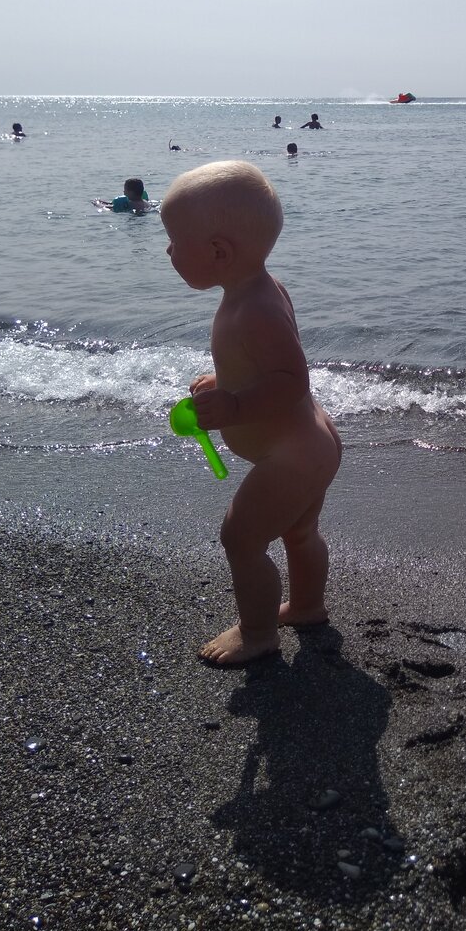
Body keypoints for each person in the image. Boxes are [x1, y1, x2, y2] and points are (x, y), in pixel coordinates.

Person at [160, 161, 342, 667]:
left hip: (292, 457)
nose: (168, 251)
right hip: (312, 442)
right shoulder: (259, 290)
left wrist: (235, 405)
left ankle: (257, 633)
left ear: (218, 251)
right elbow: (262, 366)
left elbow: (290, 380)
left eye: (174, 241)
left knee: (240, 538)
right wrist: (225, 383)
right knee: (299, 532)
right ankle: (306, 607)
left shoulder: (253, 309)